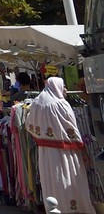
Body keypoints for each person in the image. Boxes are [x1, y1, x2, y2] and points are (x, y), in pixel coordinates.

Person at [27, 76, 91, 214]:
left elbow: (29, 126)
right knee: (69, 180)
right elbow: (72, 128)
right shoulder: (61, 104)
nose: (66, 90)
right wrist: (83, 148)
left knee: (52, 182)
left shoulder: (37, 103)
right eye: (63, 86)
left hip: (45, 153)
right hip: (66, 153)